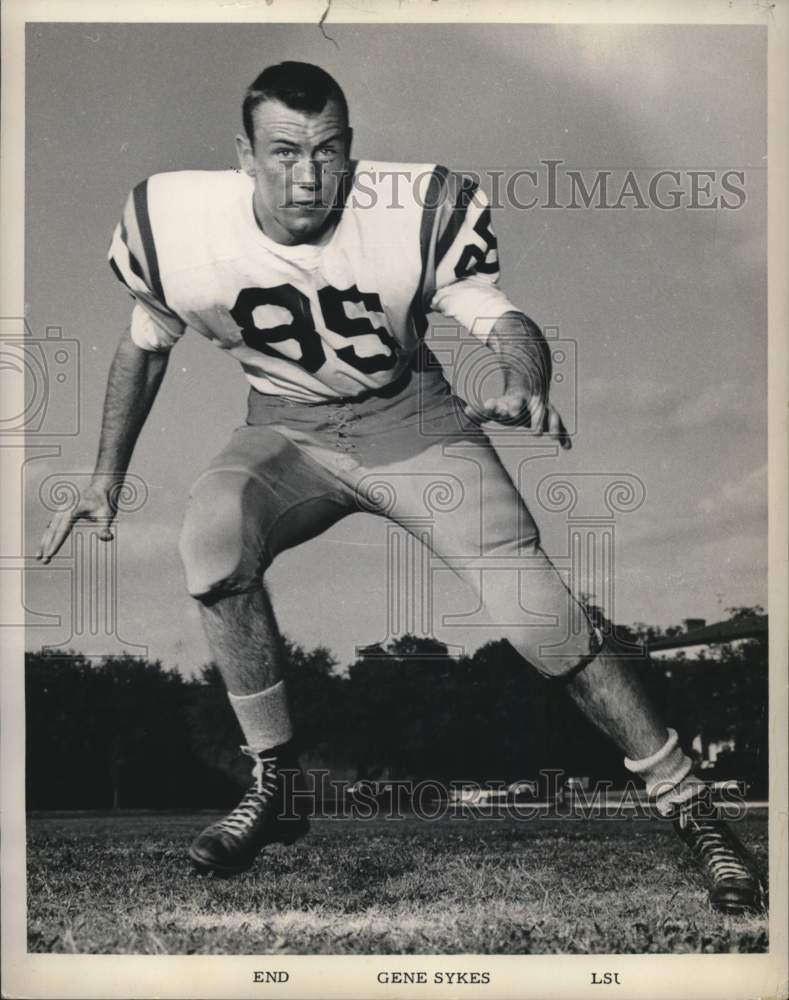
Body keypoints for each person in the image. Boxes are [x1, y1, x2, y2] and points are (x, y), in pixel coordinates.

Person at [37, 61, 764, 914]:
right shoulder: (173, 221)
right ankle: (275, 784)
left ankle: (693, 810)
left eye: (328, 151)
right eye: (283, 153)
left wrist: (523, 377)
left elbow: (501, 318)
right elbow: (144, 345)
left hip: (412, 420)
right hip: (288, 432)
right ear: (243, 154)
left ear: (352, 150)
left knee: (541, 619)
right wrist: (103, 476)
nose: (307, 176)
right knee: (211, 541)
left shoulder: (412, 207)